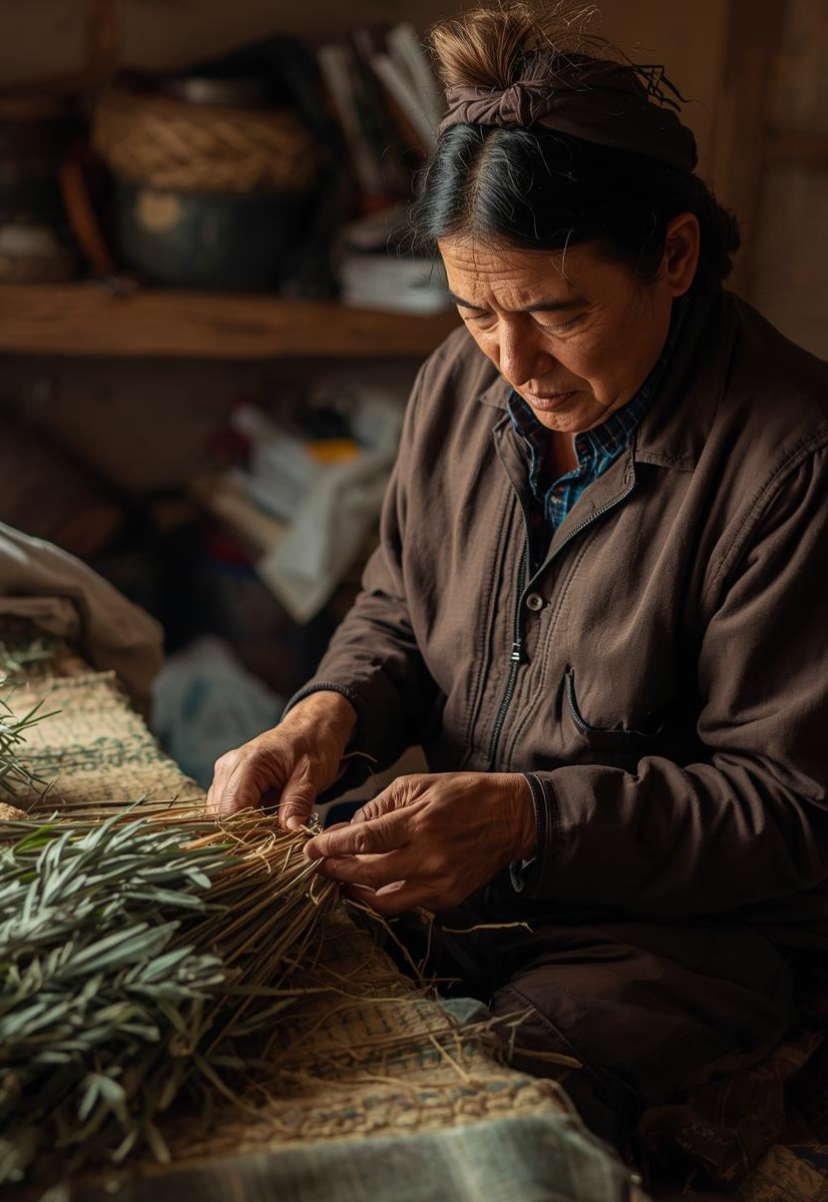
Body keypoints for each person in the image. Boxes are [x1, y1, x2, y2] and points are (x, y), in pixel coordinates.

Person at [207, 3, 828, 1182]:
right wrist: (329, 710)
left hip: (675, 938)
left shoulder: (793, 462)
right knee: (224, 1009)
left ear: (677, 258)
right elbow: (399, 600)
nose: (513, 362)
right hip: (473, 888)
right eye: (472, 309)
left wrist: (530, 822)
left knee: (473, 1131)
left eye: (559, 312)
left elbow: (796, 808)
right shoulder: (461, 387)